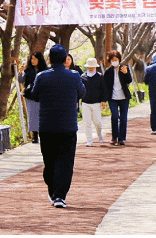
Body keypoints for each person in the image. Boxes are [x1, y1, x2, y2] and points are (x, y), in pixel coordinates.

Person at [31, 44, 85, 209]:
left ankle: (53, 190)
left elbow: (34, 95)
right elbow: (83, 93)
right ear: (65, 60)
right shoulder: (74, 76)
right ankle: (60, 195)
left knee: (50, 161)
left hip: (46, 127)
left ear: (49, 59)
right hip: (68, 127)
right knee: (66, 162)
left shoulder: (41, 76)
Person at [103, 50, 132, 146]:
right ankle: (114, 137)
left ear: (119, 60)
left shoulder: (124, 68)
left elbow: (129, 80)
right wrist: (104, 99)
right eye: (113, 60)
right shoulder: (108, 72)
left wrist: (126, 73)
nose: (114, 61)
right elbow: (105, 86)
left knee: (123, 118)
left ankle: (122, 138)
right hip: (113, 98)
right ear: (110, 61)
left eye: (116, 59)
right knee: (115, 116)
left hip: (124, 98)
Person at [19, 51, 47, 143]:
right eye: (32, 59)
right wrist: (21, 72)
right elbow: (20, 80)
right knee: (32, 115)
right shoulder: (27, 70)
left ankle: (44, 133)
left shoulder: (45, 70)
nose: (32, 61)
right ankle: (35, 136)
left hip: (43, 95)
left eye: (35, 59)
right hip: (30, 95)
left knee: (43, 115)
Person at [80, 57, 105, 146]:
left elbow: (103, 89)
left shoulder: (100, 76)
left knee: (97, 122)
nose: (91, 68)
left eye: (92, 66)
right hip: (85, 103)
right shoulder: (82, 77)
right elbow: (80, 90)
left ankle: (99, 135)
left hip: (96, 103)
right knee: (87, 122)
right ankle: (89, 140)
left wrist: (103, 100)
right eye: (89, 66)